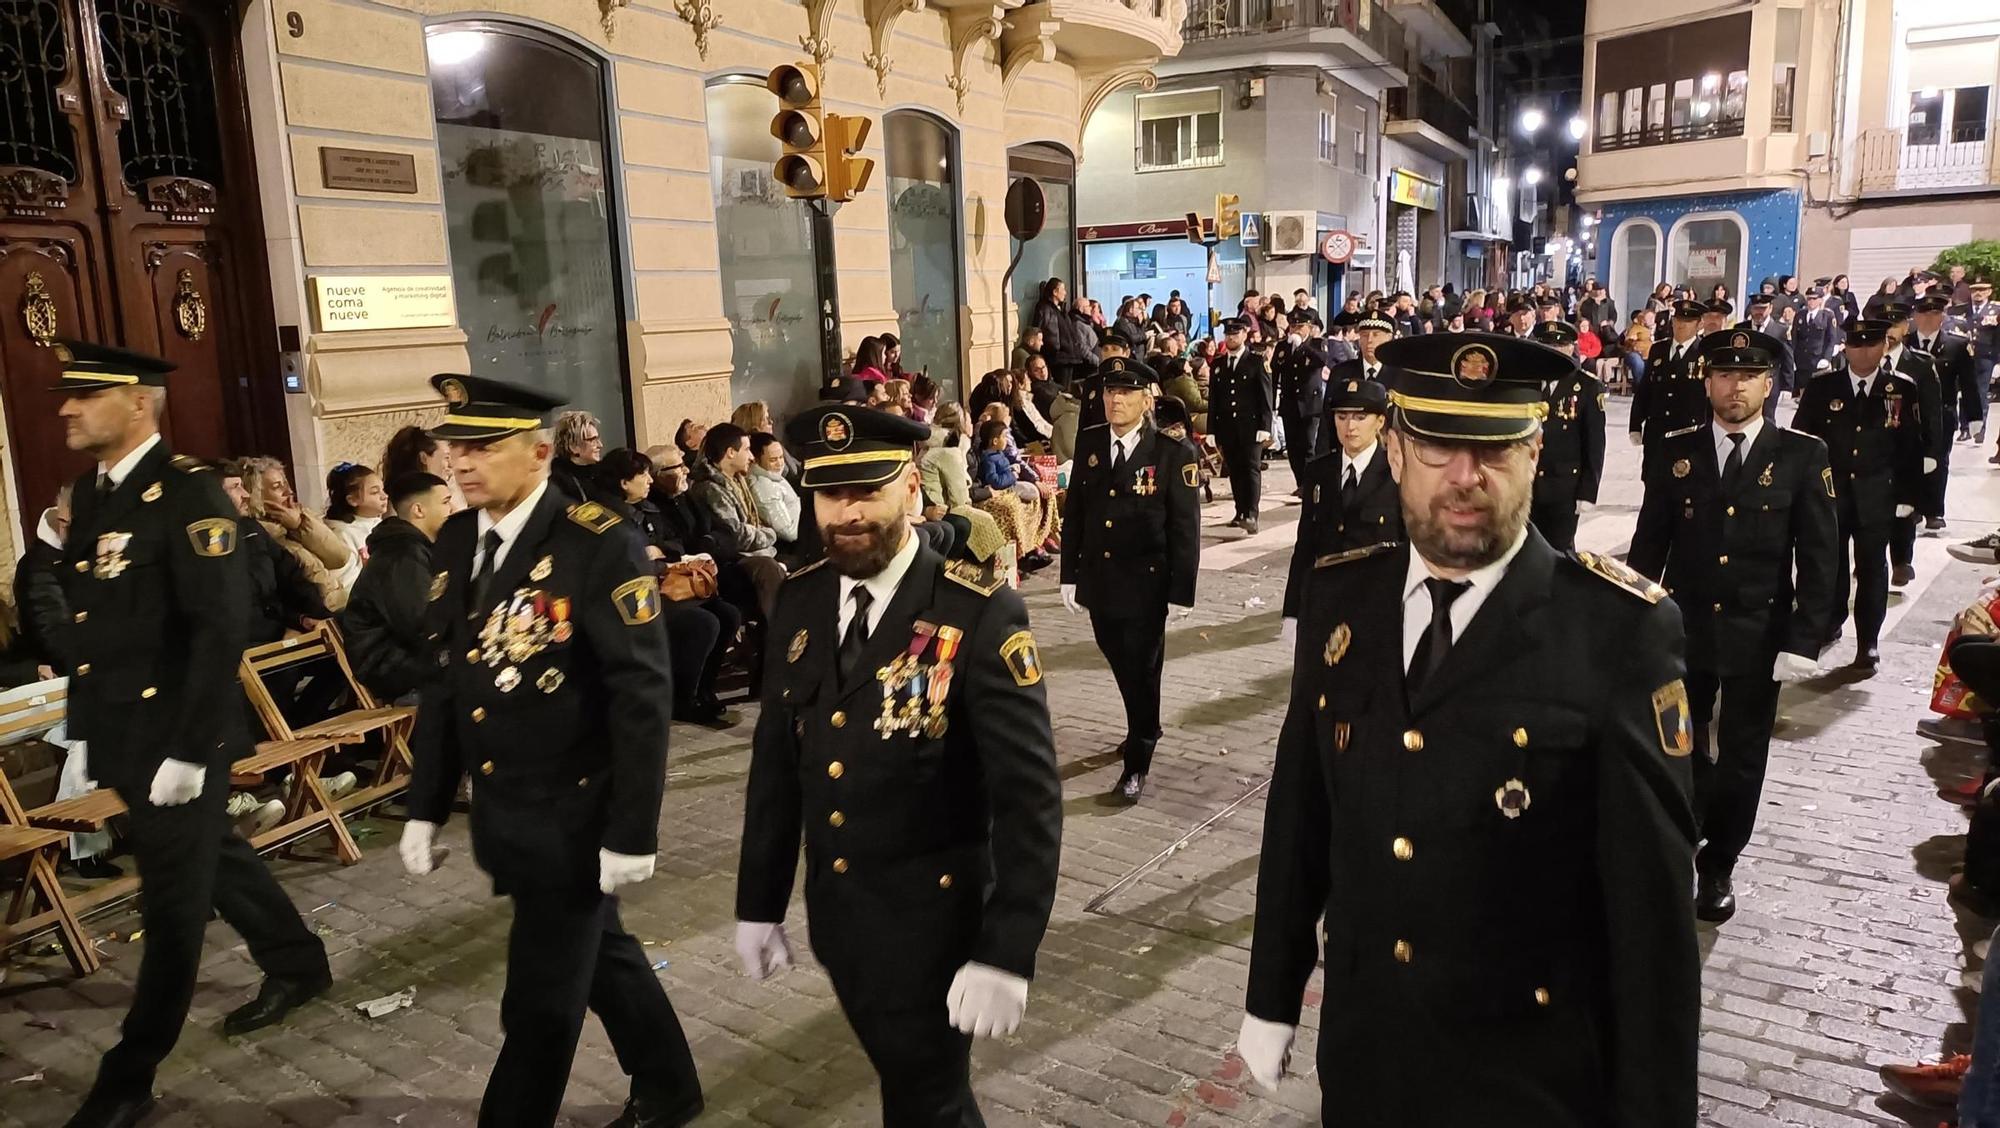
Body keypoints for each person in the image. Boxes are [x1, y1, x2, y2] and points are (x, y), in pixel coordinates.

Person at [1237, 330, 1699, 1128]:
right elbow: (1302, 815)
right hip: (1367, 1054)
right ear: (1393, 451)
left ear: (1535, 453)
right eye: (1437, 445)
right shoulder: (1342, 596)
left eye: (1494, 449)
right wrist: (1272, 995)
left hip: (1527, 1077)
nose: (1463, 477)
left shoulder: (1618, 633)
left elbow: (1653, 929)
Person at [735, 403, 1062, 1127]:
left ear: (912, 489)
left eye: (868, 492)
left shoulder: (978, 611)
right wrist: (759, 900)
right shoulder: (802, 598)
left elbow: (1029, 799)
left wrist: (1008, 948)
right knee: (913, 1091)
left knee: (929, 1098)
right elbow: (777, 762)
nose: (847, 513)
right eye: (830, 494)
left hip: (936, 925)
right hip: (842, 919)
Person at [399, 374, 704, 1128]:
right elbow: (448, 680)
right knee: (602, 954)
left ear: (539, 453)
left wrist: (633, 828)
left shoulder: (598, 543)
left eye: (483, 447)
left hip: (576, 812)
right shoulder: (462, 538)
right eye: (455, 449)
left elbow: (640, 695)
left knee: (538, 1000)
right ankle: (669, 1086)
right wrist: (425, 805)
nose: (462, 464)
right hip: (509, 810)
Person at [53, 341, 332, 1128]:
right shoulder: (91, 492)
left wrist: (186, 750)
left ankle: (128, 1074)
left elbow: (218, 631)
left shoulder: (191, 494)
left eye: (86, 395)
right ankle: (298, 961)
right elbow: (91, 610)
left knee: (174, 906)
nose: (67, 409)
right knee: (214, 858)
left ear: (138, 404)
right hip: (125, 729)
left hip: (181, 736)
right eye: (65, 396)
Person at [1628, 328, 1838, 921]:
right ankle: (1684, 833)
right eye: (1724, 375)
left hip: (1758, 633)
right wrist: (1631, 614)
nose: (1735, 387)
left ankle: (1719, 861)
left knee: (1744, 756)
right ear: (1708, 382)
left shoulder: (1801, 455)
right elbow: (1651, 541)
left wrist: (1803, 637)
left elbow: (1821, 556)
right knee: (1679, 742)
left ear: (1768, 385)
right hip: (1684, 626)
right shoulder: (1677, 448)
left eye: (1748, 376)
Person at [1059, 356, 1201, 804]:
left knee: (1142, 670)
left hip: (1147, 583)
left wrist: (1182, 591)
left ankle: (1137, 761)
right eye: (1108, 392)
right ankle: (1144, 724)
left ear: (1146, 399)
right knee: (1118, 659)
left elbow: (1185, 528)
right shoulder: (1091, 443)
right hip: (1101, 580)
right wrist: (1069, 574)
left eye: (1125, 392)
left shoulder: (1171, 452)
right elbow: (1076, 514)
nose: (1114, 400)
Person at [1792, 320, 1927, 670]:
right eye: (1855, 345)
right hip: (1830, 494)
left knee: (1872, 568)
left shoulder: (1900, 388)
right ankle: (1828, 623)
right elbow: (1802, 441)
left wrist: (1909, 497)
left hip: (1876, 496)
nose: (1862, 352)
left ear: (1884, 346)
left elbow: (1911, 446)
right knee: (1828, 565)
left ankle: (1868, 641)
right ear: (1845, 347)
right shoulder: (1824, 387)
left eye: (1870, 345)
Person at [602, 447, 739, 725]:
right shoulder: (609, 518)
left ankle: (704, 690)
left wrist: (659, 552)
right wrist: (660, 562)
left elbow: (675, 542)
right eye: (643, 475)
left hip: (662, 586)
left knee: (727, 614)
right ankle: (682, 700)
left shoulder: (647, 508)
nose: (649, 480)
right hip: (633, 599)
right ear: (624, 482)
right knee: (703, 624)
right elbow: (623, 567)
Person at [1281, 376, 1400, 636]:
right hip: (1326, 603)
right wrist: (1292, 611)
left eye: (1360, 417)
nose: (1350, 426)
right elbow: (1305, 545)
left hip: (1379, 607)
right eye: (1342, 416)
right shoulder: (1319, 470)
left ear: (1380, 421)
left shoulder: (1396, 473)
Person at [339, 471, 452, 704]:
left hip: (415, 660)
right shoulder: (401, 556)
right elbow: (421, 624)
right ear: (419, 510)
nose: (453, 510)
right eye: (445, 502)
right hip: (394, 669)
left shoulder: (417, 548)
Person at [1520, 321, 1607, 552]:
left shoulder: (1587, 387)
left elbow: (1595, 444)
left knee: (1559, 552)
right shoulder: (1523, 383)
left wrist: (1588, 492)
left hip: (1564, 487)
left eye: (1560, 347)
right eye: (1547, 346)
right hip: (1524, 485)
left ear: (1571, 349)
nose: (1553, 353)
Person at [1880, 302, 1947, 587]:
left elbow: (1932, 411)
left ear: (1906, 328)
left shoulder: (1920, 364)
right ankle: (1873, 559)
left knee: (1904, 506)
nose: (1890, 332)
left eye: (1895, 325)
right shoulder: (1865, 360)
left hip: (1908, 448)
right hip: (1873, 447)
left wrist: (1932, 452)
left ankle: (1901, 560)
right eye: (1884, 326)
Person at [245, 456, 350, 614]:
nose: (289, 492)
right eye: (277, 486)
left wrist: (300, 526)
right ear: (255, 495)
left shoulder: (301, 516)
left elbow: (339, 557)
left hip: (340, 604)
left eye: (286, 484)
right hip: (312, 615)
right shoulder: (256, 532)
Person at [1208, 318, 1273, 534]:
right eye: (1228, 335)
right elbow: (1214, 401)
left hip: (1251, 426)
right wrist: (1211, 429)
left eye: (1235, 335)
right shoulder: (1218, 364)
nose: (1231, 338)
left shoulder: (1256, 361)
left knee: (1251, 469)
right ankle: (1240, 511)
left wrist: (1265, 426)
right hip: (1228, 426)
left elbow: (1265, 396)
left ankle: (1251, 513)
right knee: (1235, 469)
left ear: (1244, 335)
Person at [1631, 300, 1710, 474]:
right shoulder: (1658, 349)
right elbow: (1645, 389)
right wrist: (1635, 424)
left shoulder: (1706, 352)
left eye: (1688, 322)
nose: (1681, 325)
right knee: (1652, 482)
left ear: (1699, 324)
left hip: (1689, 433)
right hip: (1657, 432)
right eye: (1678, 320)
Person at [1272, 307, 1330, 489]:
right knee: (1293, 448)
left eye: (1300, 326)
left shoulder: (1317, 343)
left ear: (1309, 328)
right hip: (1289, 403)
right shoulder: (1283, 346)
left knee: (1308, 446)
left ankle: (1310, 483)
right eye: (1293, 326)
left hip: (1310, 404)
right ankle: (1300, 483)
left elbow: (1322, 360)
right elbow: (1275, 369)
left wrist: (1302, 346)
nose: (1296, 330)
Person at [324, 461, 387, 590]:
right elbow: (346, 583)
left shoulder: (380, 524)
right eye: (374, 492)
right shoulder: (342, 534)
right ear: (352, 500)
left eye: (383, 489)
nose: (384, 496)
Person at [1951, 277, 1997, 444]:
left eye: (1982, 290)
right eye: (1975, 290)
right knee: (1964, 392)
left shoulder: (1996, 310)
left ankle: (1980, 430)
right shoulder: (1961, 310)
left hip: (1986, 356)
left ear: (1989, 292)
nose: (1978, 293)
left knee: (1981, 393)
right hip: (1964, 356)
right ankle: (1965, 429)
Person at [1736, 294, 1795, 411]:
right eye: (1756, 308)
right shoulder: (1741, 329)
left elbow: (1787, 359)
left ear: (1770, 308)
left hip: (1770, 382)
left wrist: (1787, 387)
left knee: (1768, 419)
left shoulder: (1781, 330)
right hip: (1745, 382)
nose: (1759, 312)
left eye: (1763, 308)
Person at [550, 409, 608, 504]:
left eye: (598, 439)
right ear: (573, 446)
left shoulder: (604, 473)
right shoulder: (556, 480)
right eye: (592, 440)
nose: (600, 445)